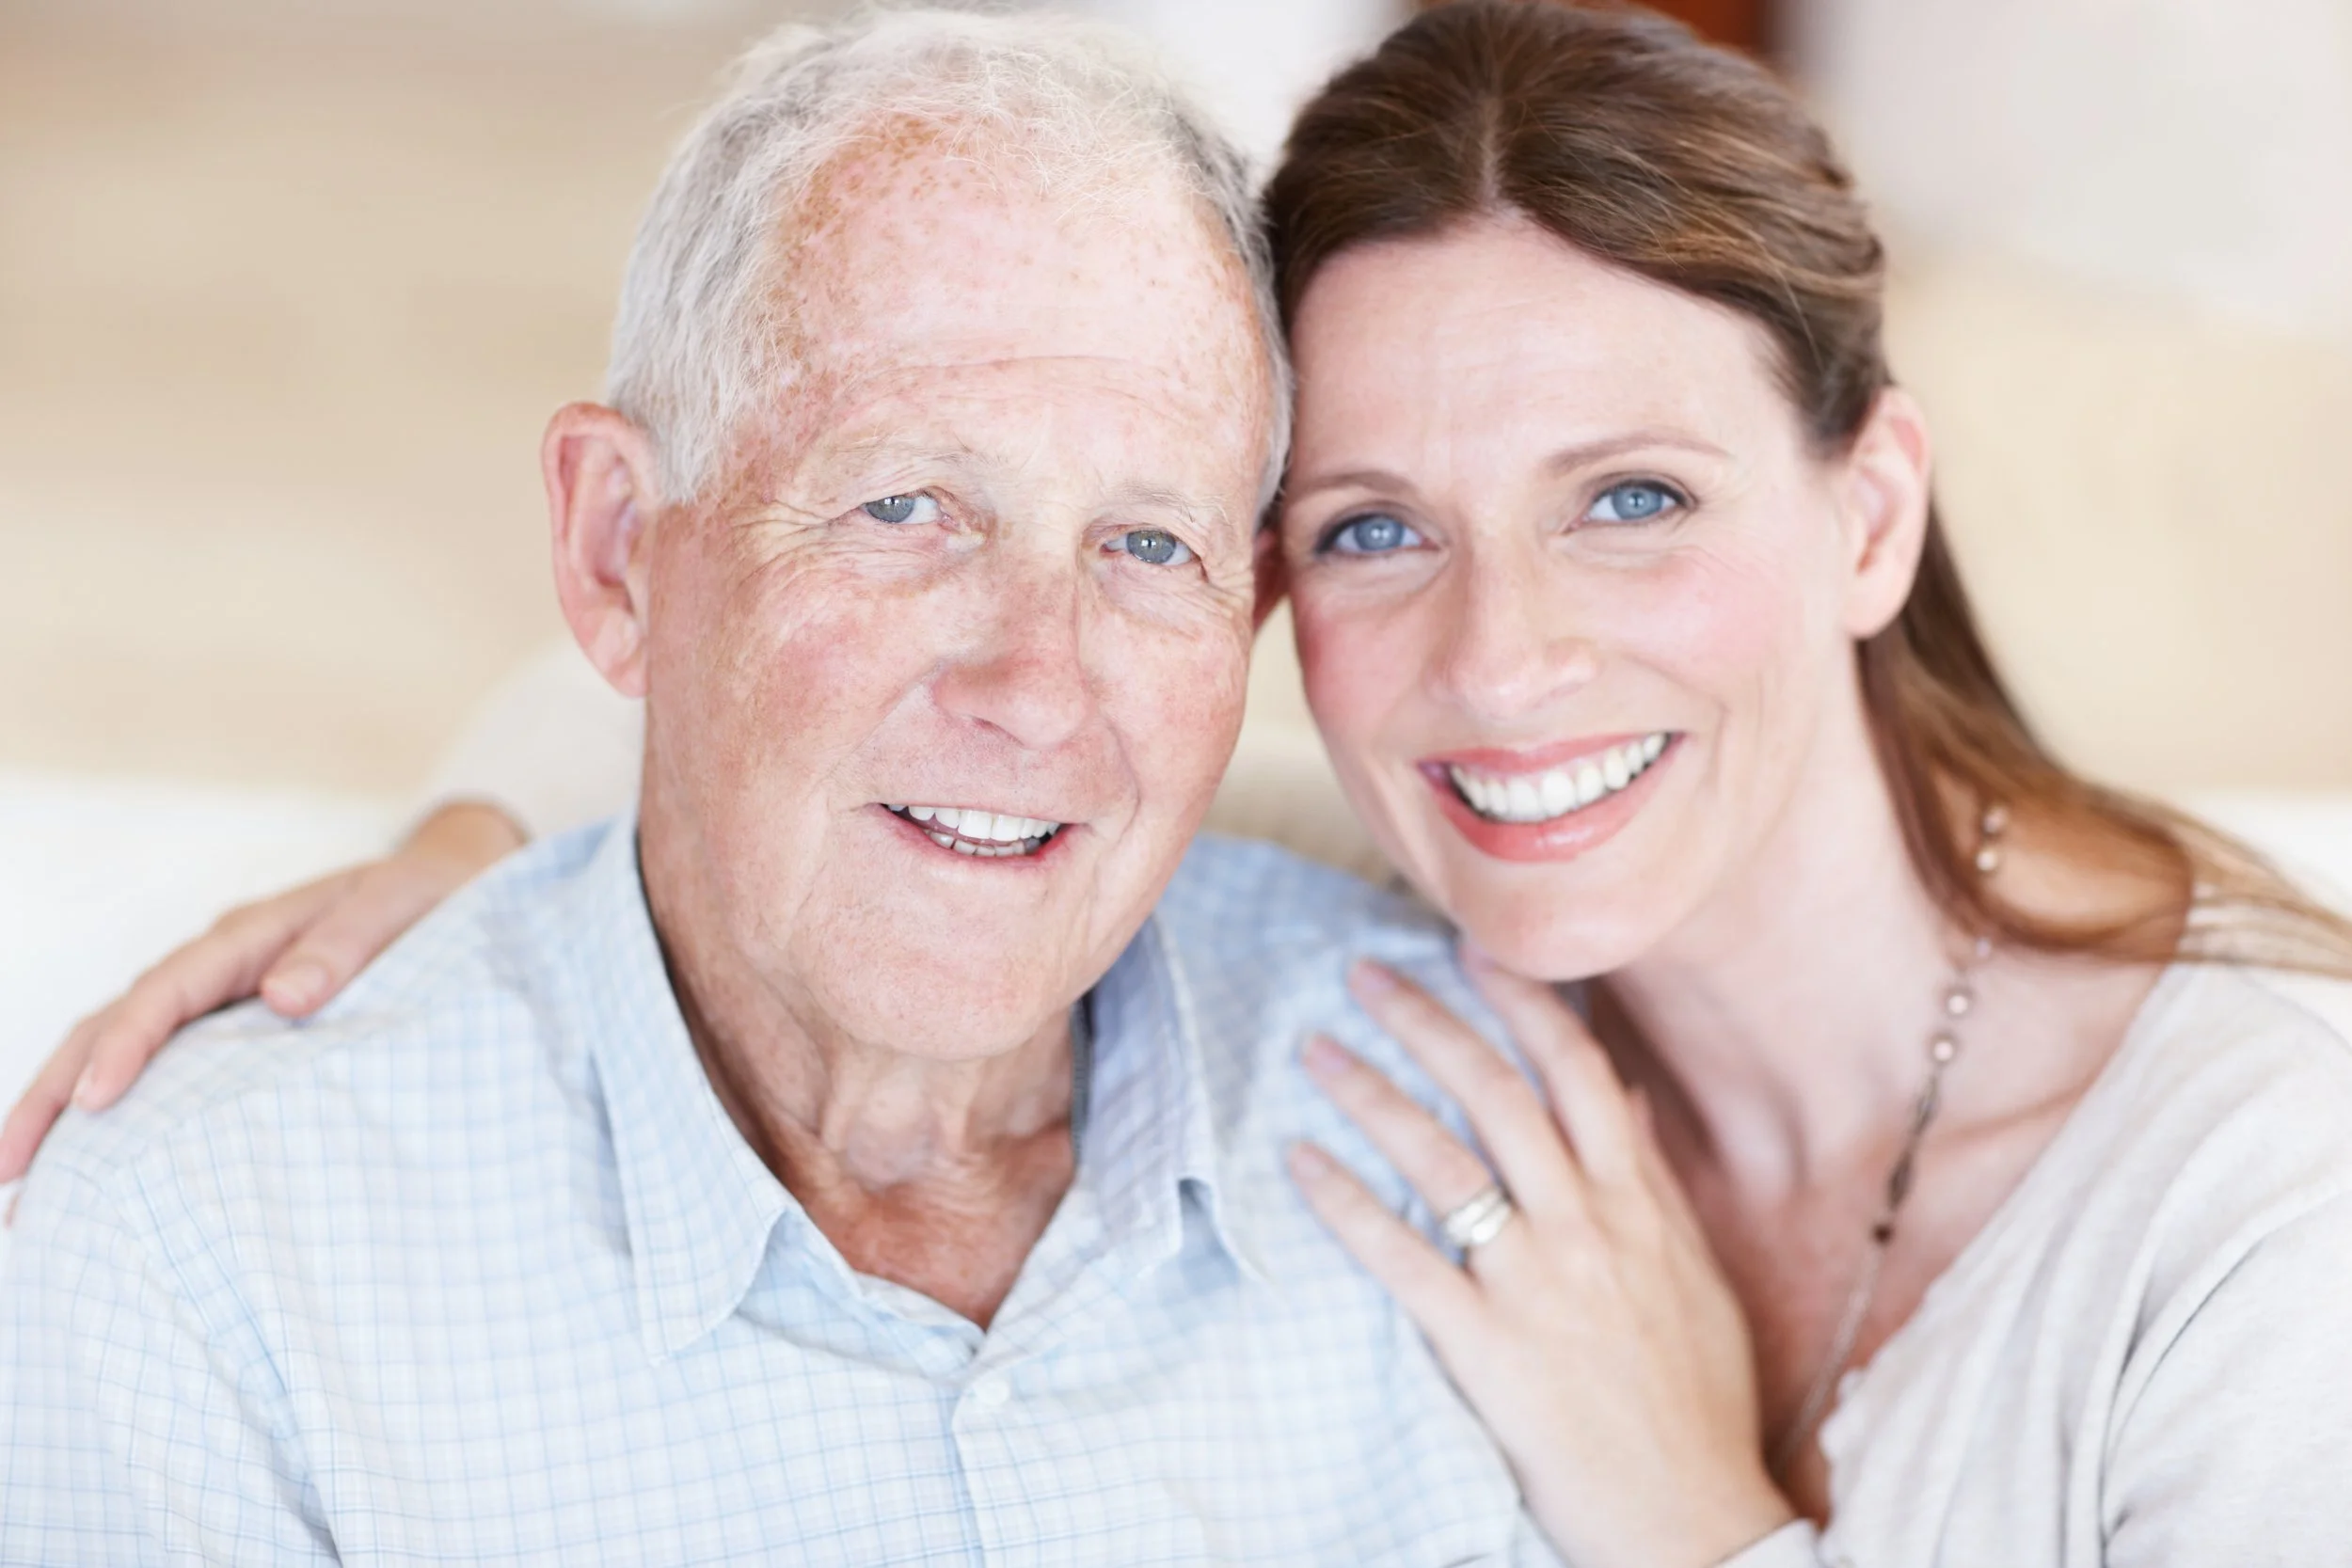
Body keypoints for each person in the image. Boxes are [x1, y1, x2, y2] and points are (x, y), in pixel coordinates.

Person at [14, 4, 2352, 1566]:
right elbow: (819, 735)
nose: (1499, 658)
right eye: (1364, 530)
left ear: (1869, 510)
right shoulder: (1380, 900)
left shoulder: (2257, 1210)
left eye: (1631, 494)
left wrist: (1693, 1516)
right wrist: (443, 856)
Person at [0, 13, 1576, 1563]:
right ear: (621, 548)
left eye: (1149, 545)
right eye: (906, 506)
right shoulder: (206, 1263)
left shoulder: (1475, 1115)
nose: (1039, 687)